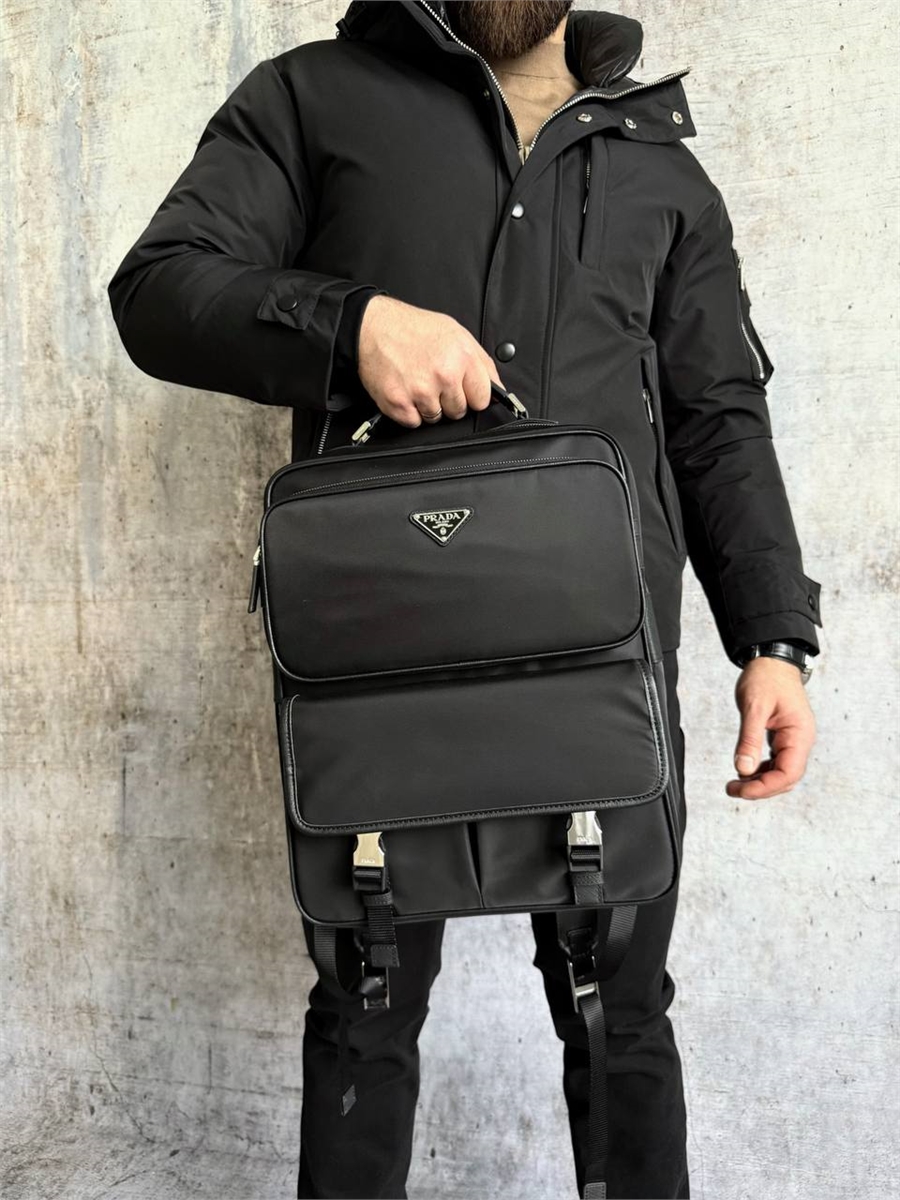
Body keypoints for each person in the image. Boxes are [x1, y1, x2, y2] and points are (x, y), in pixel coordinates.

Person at [107, 2, 823, 1196]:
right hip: (380, 676)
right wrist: (353, 325)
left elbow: (716, 418)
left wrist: (775, 640)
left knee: (624, 1012)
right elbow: (158, 289)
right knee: (364, 1010)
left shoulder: (658, 162)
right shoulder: (310, 98)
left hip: (602, 675)